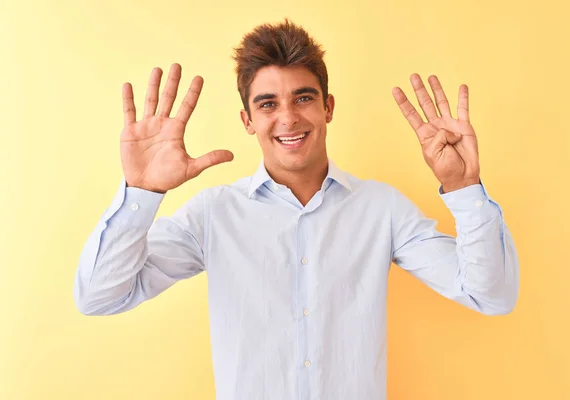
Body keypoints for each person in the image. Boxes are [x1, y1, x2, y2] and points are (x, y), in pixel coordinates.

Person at [73, 19, 519, 400]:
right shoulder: (213, 215)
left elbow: (491, 295)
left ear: (327, 107)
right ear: (248, 120)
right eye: (268, 104)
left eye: (303, 98)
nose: (287, 118)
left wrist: (463, 187)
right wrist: (141, 192)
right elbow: (100, 297)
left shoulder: (381, 209)